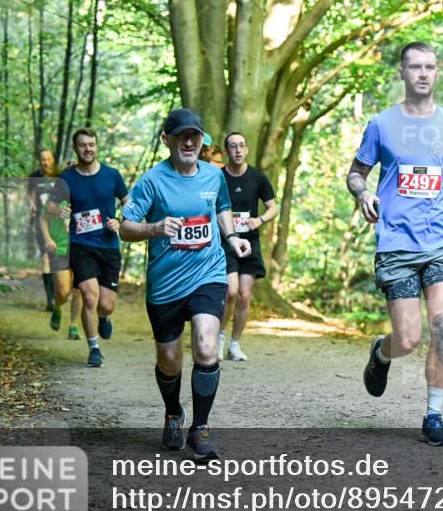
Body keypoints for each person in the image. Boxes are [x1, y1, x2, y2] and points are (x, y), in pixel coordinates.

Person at [345, 42, 443, 446]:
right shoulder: (381, 124)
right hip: (396, 243)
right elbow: (356, 173)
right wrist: (362, 194)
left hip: (442, 242)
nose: (423, 73)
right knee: (407, 339)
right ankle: (382, 352)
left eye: (430, 66)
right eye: (415, 67)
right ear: (402, 73)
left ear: (438, 73)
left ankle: (434, 415)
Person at [121, 108, 250, 461]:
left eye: (195, 135)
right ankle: (173, 412)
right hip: (165, 284)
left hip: (207, 274)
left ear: (202, 140)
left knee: (207, 348)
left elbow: (222, 207)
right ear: (168, 140)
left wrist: (232, 236)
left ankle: (201, 428)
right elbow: (125, 227)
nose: (189, 142)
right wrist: (154, 228)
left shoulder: (214, 176)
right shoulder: (151, 181)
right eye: (181, 136)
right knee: (169, 358)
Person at [57, 128, 129, 367]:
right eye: (82, 145)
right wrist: (60, 211)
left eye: (91, 144)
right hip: (81, 244)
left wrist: (119, 220)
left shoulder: (112, 175)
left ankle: (103, 316)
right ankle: (94, 348)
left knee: (106, 304)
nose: (87, 149)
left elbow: (130, 203)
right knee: (89, 297)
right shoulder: (67, 179)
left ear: (96, 147)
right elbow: (50, 208)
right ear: (75, 149)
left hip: (108, 245)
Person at [217, 131, 278, 362]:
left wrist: (260, 219)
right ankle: (220, 338)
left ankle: (235, 344)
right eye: (233, 146)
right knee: (230, 291)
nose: (238, 150)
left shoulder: (257, 177)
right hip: (226, 243)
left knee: (244, 295)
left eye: (242, 145)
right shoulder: (218, 177)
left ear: (247, 149)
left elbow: (273, 207)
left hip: (250, 242)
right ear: (226, 152)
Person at [40, 177, 84, 340]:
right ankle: (58, 307)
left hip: (80, 248)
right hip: (60, 248)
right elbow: (43, 218)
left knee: (78, 291)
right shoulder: (57, 197)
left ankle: (74, 326)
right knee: (63, 292)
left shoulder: (85, 199)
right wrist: (47, 239)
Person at [28, 150, 59, 310]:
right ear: (39, 161)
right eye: (42, 160)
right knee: (46, 257)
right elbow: (30, 195)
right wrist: (32, 205)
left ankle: (60, 292)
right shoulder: (34, 177)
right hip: (42, 223)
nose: (45, 162)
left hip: (60, 223)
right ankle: (50, 299)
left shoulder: (61, 175)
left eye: (48, 159)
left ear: (53, 160)